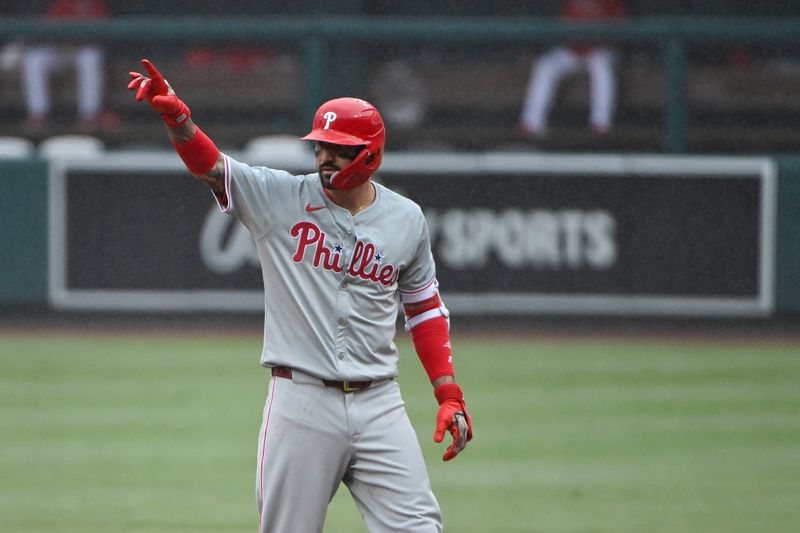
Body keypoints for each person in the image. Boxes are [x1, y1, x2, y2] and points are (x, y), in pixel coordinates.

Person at [127, 58, 473, 532]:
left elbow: (424, 308)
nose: (325, 156)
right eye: (320, 146)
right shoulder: (279, 197)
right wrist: (179, 121)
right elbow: (212, 168)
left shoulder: (406, 219)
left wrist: (447, 392)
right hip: (302, 400)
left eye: (339, 148)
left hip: (380, 403)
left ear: (370, 155)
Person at [519, 0, 625, 137]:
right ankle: (531, 123)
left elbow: (620, 26)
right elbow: (562, 24)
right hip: (572, 49)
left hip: (601, 49)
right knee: (546, 66)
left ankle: (600, 124)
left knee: (601, 68)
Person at [21, 0, 116, 134]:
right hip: (60, 47)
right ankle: (38, 114)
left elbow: (100, 29)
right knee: (34, 58)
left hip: (84, 48)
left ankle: (89, 116)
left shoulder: (96, 3)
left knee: (90, 58)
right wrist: (59, 41)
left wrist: (77, 40)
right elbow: (49, 25)